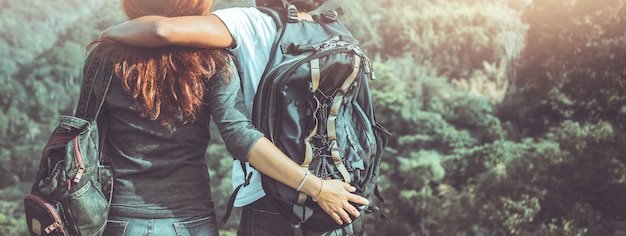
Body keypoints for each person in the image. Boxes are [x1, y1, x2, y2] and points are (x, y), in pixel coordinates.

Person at [93, 0, 367, 235]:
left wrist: (107, 34)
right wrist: (320, 188)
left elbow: (161, 30)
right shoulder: (333, 32)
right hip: (337, 195)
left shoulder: (247, 23)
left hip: (265, 197)